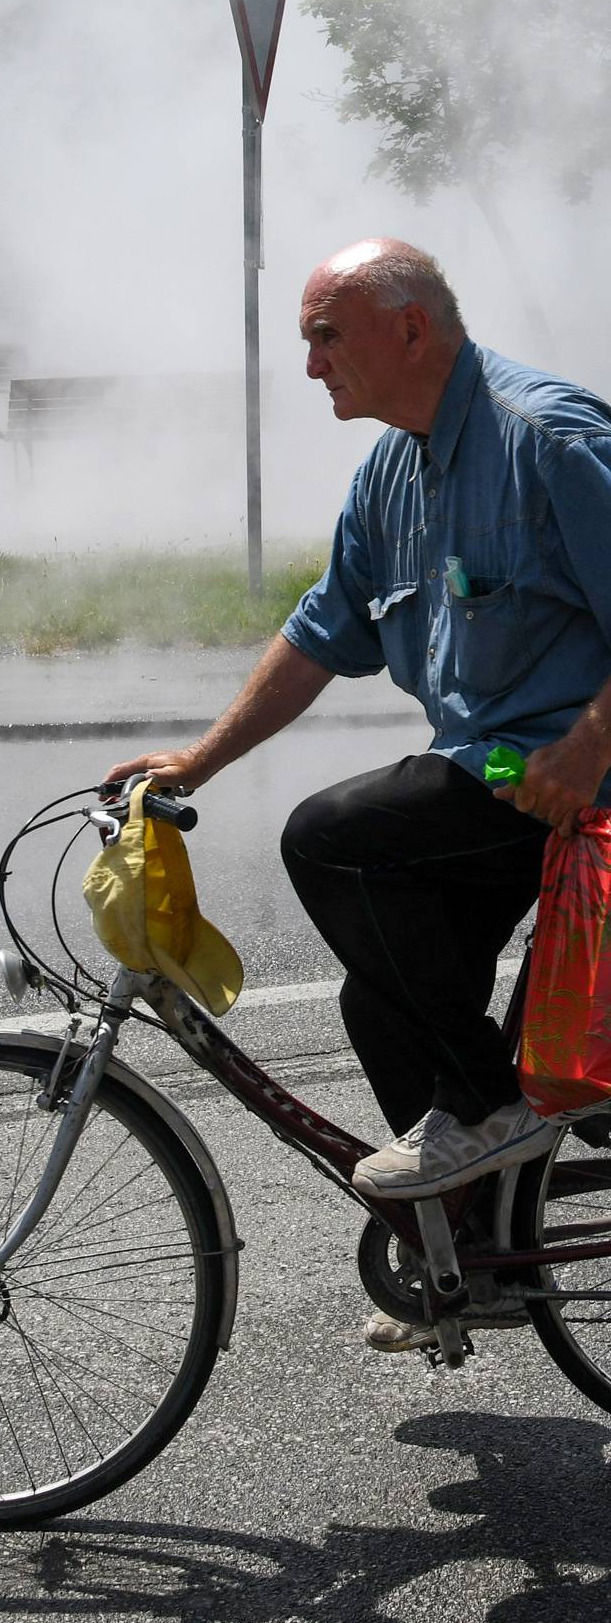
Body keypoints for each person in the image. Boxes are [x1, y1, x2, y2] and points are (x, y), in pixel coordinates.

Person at [105, 240, 611, 1341]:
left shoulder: (548, 439)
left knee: (335, 842)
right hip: (503, 787)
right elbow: (323, 631)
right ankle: (470, 1257)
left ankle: (490, 1110)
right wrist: (196, 760)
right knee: (376, 998)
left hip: (583, 803)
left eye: (327, 337)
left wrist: (590, 740)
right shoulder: (395, 469)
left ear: (411, 331)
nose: (311, 366)